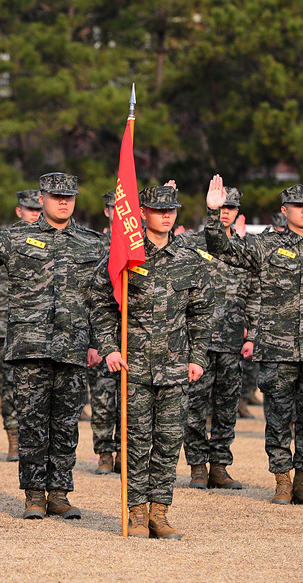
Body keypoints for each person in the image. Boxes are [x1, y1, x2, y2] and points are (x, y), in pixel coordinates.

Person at [0, 173, 102, 519]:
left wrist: (98, 342)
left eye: (69, 196)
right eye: (56, 196)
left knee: (66, 425)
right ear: (42, 198)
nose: (63, 201)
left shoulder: (92, 242)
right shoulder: (17, 238)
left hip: (73, 347)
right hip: (30, 347)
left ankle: (60, 494)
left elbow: (102, 297)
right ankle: (34, 494)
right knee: (33, 423)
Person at [205, 176, 303, 506]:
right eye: (298, 206)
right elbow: (223, 249)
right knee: (279, 417)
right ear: (285, 211)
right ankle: (282, 480)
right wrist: (213, 214)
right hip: (277, 348)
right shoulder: (265, 246)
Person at [91, 184, 213, 538]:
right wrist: (109, 347)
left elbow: (202, 312)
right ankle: (137, 513)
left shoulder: (189, 259)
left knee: (168, 441)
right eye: (158, 210)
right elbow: (100, 302)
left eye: (171, 210)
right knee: (135, 440)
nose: (166, 215)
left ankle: (160, 512)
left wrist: (198, 357)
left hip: (175, 366)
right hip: (134, 366)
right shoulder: (125, 255)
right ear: (142, 213)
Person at [181, 186, 251, 490]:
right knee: (195, 404)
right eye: (222, 206)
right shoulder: (192, 243)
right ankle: (197, 466)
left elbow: (256, 291)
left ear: (237, 211)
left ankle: (220, 465)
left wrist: (254, 331)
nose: (226, 212)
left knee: (226, 405)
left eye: (231, 207)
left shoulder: (245, 248)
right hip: (198, 338)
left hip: (233, 338)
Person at [0, 189, 43, 462]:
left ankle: (36, 442)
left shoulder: (52, 241)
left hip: (42, 326)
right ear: (19, 211)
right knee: (11, 386)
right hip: (9, 322)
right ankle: (14, 439)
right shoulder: (7, 240)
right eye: (30, 210)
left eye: (38, 210)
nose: (34, 215)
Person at [90, 190, 121, 475]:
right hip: (100, 336)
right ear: (106, 211)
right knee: (101, 399)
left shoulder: (137, 247)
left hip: (131, 336)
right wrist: (92, 341)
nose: (118, 211)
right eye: (113, 207)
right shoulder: (94, 244)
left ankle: (124, 451)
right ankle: (104, 453)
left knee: (128, 401)